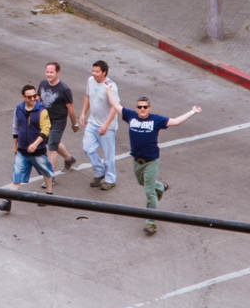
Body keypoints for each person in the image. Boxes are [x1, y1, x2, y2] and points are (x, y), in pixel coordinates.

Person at [122, 96, 200, 235]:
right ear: (136, 108)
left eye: (145, 107)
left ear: (149, 108)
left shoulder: (156, 120)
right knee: (141, 182)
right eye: (139, 107)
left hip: (151, 161)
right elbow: (116, 106)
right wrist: (108, 90)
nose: (142, 109)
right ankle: (161, 187)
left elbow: (175, 121)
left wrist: (192, 112)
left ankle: (151, 223)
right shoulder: (131, 116)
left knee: (149, 192)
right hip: (137, 161)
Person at [0, 83, 53, 213]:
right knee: (16, 176)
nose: (33, 99)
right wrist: (15, 146)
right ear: (23, 97)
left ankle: (49, 194)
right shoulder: (18, 109)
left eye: (34, 96)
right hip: (22, 150)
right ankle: (7, 201)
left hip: (38, 151)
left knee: (45, 171)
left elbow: (46, 130)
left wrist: (35, 144)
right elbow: (15, 128)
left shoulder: (42, 111)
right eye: (29, 97)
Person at [82, 59, 121, 190]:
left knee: (108, 155)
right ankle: (99, 171)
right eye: (93, 71)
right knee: (88, 148)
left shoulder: (111, 86)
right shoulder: (90, 81)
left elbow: (114, 107)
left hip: (107, 127)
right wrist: (83, 114)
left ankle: (110, 179)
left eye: (97, 72)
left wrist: (106, 125)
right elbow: (87, 97)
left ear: (104, 72)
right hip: (92, 122)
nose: (94, 73)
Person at [37, 61, 78, 174]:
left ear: (57, 73)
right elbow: (38, 99)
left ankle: (50, 176)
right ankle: (69, 159)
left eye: (51, 72)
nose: (49, 74)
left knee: (52, 148)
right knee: (52, 142)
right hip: (45, 120)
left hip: (58, 121)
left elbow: (70, 108)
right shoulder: (43, 84)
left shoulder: (64, 89)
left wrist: (74, 124)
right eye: (47, 72)